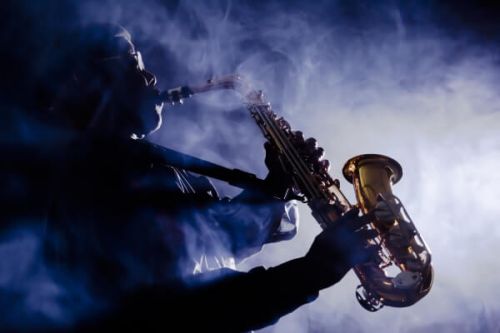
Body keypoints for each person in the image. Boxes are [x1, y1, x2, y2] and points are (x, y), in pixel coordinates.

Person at [38, 23, 379, 332]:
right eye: (135, 65)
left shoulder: (143, 168)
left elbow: (216, 242)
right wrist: (311, 273)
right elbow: (181, 312)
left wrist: (278, 181)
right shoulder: (96, 179)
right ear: (97, 86)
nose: (152, 77)